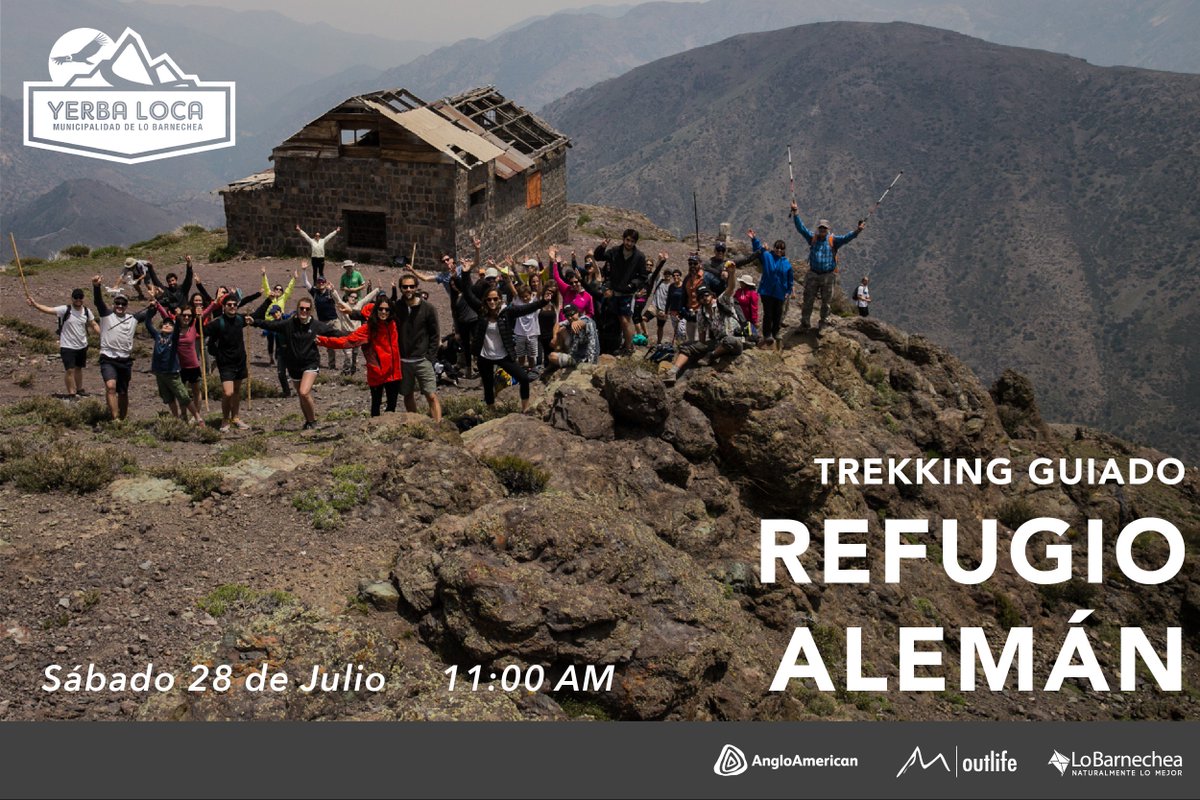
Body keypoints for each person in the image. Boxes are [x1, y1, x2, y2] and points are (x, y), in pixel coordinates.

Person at [457, 270, 550, 413]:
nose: (492, 302)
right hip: (484, 356)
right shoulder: (481, 310)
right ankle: (491, 413)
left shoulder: (507, 312)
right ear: (485, 300)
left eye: (495, 299)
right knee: (488, 386)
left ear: (500, 299)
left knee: (524, 378)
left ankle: (524, 410)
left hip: (504, 355)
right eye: (489, 299)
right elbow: (468, 294)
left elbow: (525, 308)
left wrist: (543, 301)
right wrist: (465, 273)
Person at [253, 297, 333, 428]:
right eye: (301, 308)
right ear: (297, 308)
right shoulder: (289, 324)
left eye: (307, 309)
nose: (304, 311)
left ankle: (313, 421)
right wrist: (254, 322)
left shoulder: (316, 325)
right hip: (293, 365)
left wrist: (355, 337)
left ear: (311, 310)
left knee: (304, 392)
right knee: (301, 396)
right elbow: (271, 325)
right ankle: (308, 421)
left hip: (310, 363)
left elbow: (335, 333)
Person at [662, 265, 747, 387]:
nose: (704, 298)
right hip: (718, 342)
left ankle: (711, 356)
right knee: (687, 346)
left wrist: (732, 273)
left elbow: (731, 287)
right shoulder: (701, 313)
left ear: (712, 295)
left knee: (730, 340)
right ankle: (672, 372)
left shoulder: (722, 301)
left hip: (734, 341)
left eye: (706, 295)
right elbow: (702, 340)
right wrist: (697, 348)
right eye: (701, 297)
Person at [790, 202, 864, 334]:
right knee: (808, 300)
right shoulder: (812, 238)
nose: (822, 230)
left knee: (826, 302)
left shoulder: (833, 240)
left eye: (824, 229)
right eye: (821, 228)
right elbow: (801, 228)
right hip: (813, 273)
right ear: (818, 229)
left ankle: (823, 324)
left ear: (828, 229)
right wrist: (796, 213)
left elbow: (847, 238)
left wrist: (857, 231)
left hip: (828, 275)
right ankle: (805, 323)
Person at [92, 276, 155, 420]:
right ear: (114, 304)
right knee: (110, 386)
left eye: (123, 304)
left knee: (123, 391)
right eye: (117, 303)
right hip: (108, 358)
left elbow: (149, 313)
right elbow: (98, 302)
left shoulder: (132, 319)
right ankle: (115, 419)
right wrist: (96, 287)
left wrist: (153, 303)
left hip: (125, 360)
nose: (120, 306)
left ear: (126, 306)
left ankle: (122, 418)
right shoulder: (106, 315)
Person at [27, 287, 100, 399]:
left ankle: (79, 389)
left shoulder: (86, 311)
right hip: (67, 346)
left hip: (82, 345)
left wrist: (103, 335)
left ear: (83, 298)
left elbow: (93, 324)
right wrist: (35, 304)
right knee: (69, 370)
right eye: (76, 297)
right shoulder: (65, 310)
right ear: (72, 298)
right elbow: (48, 310)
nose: (78, 300)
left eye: (80, 297)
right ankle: (71, 393)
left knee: (79, 368)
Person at [393, 273, 442, 423]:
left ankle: (438, 426)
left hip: (422, 360)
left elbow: (435, 334)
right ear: (401, 288)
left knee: (431, 394)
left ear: (416, 287)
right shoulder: (396, 307)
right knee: (407, 394)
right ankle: (417, 423)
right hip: (404, 360)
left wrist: (430, 357)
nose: (408, 289)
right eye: (405, 287)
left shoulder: (428, 308)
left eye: (411, 286)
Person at [592, 229, 649, 354]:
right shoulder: (615, 252)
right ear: (623, 239)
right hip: (614, 292)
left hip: (627, 293)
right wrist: (602, 247)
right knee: (619, 319)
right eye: (627, 240)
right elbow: (598, 257)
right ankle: (624, 345)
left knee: (625, 320)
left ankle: (629, 347)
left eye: (632, 241)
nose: (629, 243)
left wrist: (632, 285)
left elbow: (643, 276)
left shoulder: (639, 256)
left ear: (635, 242)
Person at [144, 313, 204, 424]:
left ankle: (198, 418)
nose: (166, 325)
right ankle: (177, 419)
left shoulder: (174, 338)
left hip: (172, 373)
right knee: (169, 398)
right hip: (159, 373)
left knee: (183, 396)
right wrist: (151, 310)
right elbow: (148, 324)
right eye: (165, 323)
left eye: (170, 324)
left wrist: (177, 316)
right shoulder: (157, 336)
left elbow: (177, 328)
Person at [204, 295, 251, 432]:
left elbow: (258, 315)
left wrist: (267, 300)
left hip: (240, 361)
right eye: (229, 304)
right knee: (228, 392)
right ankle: (225, 419)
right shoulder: (218, 323)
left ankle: (235, 417)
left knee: (236, 392)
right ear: (224, 307)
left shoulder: (240, 319)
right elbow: (203, 332)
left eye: (234, 305)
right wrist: (217, 354)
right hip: (225, 363)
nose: (232, 307)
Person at [748, 227, 793, 347]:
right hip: (767, 291)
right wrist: (754, 239)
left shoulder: (786, 263)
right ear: (774, 247)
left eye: (781, 248)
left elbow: (790, 278)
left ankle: (775, 332)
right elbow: (758, 250)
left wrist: (788, 290)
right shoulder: (767, 256)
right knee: (768, 313)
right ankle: (767, 334)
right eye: (777, 247)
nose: (778, 250)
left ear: (784, 250)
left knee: (778, 313)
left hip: (780, 292)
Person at [549, 303, 599, 369]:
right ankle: (560, 354)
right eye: (567, 315)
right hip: (573, 354)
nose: (570, 317)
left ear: (577, 312)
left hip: (585, 358)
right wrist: (554, 337)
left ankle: (571, 363)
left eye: (572, 314)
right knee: (561, 330)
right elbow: (557, 325)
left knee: (552, 356)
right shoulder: (570, 321)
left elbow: (584, 322)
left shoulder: (586, 320)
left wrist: (577, 322)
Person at [733, 274, 761, 338]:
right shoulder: (738, 291)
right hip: (738, 317)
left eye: (742, 282)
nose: (740, 284)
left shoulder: (752, 293)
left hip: (748, 319)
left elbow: (754, 308)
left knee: (752, 336)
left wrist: (754, 320)